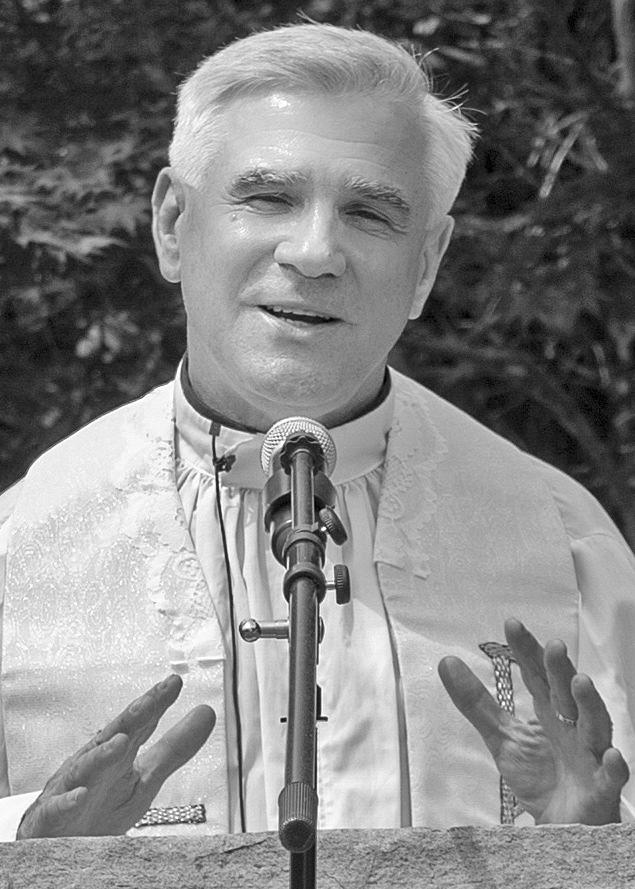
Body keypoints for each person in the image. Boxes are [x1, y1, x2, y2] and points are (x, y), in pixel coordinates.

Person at [1, 22, 634, 842]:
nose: (313, 251)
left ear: (426, 264)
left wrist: (594, 840)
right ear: (171, 223)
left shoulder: (563, 544)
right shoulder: (20, 545)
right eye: (267, 198)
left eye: (369, 213)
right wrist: (30, 852)